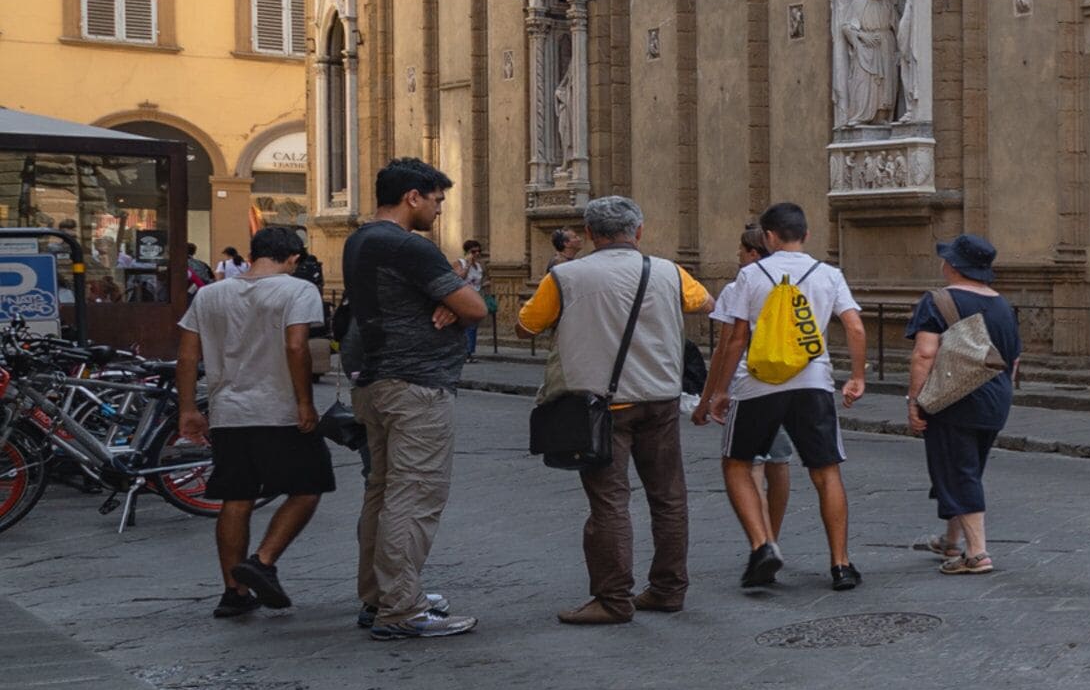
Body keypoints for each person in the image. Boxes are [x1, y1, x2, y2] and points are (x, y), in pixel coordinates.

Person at [517, 195, 711, 624]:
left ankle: (613, 598)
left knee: (609, 502)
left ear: (588, 234)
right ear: (638, 231)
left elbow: (525, 325)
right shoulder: (669, 272)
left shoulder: (565, 276)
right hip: (660, 398)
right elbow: (707, 305)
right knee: (669, 498)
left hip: (599, 406)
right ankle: (667, 590)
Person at [342, 159, 491, 637]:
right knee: (416, 495)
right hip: (417, 385)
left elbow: (448, 303)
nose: (439, 209)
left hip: (376, 380)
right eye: (436, 199)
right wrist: (453, 299)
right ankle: (402, 609)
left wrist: (447, 299)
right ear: (413, 197)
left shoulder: (360, 240)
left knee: (383, 492)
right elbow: (475, 307)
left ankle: (379, 595)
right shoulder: (409, 246)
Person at [695, 201, 870, 592]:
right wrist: (857, 376)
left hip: (759, 384)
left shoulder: (750, 276)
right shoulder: (828, 274)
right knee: (826, 472)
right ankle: (841, 564)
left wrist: (720, 391)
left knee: (737, 463)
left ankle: (762, 545)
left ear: (769, 237)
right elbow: (855, 327)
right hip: (813, 381)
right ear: (805, 235)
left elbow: (736, 338)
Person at [176, 224, 329, 620]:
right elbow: (296, 346)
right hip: (278, 411)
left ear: (253, 252)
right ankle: (262, 561)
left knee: (236, 498)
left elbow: (188, 356)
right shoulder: (298, 290)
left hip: (228, 412)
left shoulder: (210, 294)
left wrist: (188, 409)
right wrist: (304, 402)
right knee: (308, 488)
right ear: (294, 258)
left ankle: (234, 592)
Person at [905, 234, 1021, 576]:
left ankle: (977, 554)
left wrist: (914, 401)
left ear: (953, 266)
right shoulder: (1002, 304)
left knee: (959, 470)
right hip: (995, 398)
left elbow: (924, 353)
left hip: (952, 399)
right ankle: (951, 541)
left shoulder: (937, 301)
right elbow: (1013, 358)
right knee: (966, 468)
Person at [708, 223, 796, 539]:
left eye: (740, 252)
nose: (738, 259)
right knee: (779, 461)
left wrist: (711, 395)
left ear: (753, 253)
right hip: (790, 382)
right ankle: (773, 533)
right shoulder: (795, 280)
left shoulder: (738, 287)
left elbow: (726, 347)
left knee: (748, 464)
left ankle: (761, 541)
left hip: (748, 383)